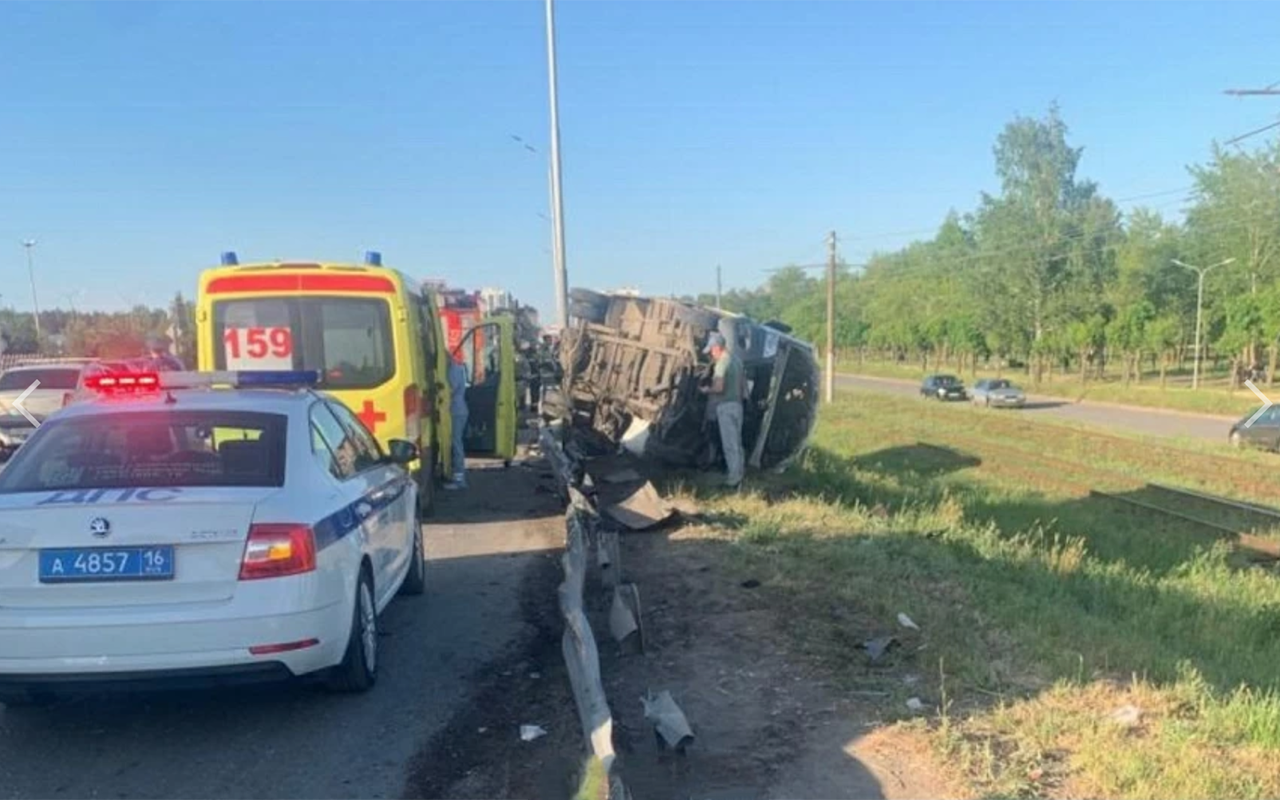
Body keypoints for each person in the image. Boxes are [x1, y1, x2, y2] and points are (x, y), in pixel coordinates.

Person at [700, 331, 745, 488]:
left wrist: (707, 390)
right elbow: (743, 386)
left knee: (729, 445)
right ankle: (739, 474)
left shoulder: (722, 363)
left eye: (712, 350)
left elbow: (719, 387)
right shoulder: (737, 361)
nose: (711, 354)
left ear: (717, 348)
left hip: (725, 407)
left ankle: (733, 480)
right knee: (737, 443)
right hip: (737, 406)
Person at [443, 350, 470, 490]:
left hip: (455, 411)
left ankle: (459, 479)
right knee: (455, 443)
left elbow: (450, 390)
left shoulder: (453, 370)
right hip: (459, 410)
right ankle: (456, 475)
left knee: (456, 444)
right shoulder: (458, 368)